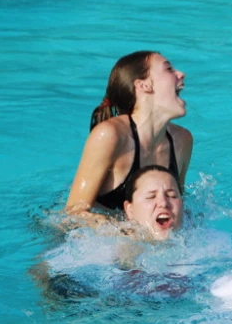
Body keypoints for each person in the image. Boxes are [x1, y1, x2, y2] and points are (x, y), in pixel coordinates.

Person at [64, 51, 193, 224]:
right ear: (144, 85)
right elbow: (74, 212)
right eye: (169, 69)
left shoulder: (182, 139)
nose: (181, 74)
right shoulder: (110, 135)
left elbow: (178, 203)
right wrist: (126, 234)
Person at [32, 165, 186, 303]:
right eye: (151, 197)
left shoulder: (205, 242)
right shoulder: (109, 245)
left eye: (172, 196)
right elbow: (43, 270)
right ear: (130, 210)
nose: (164, 203)